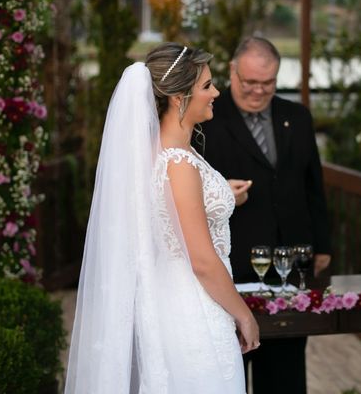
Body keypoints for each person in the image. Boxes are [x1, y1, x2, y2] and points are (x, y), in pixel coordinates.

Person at [65, 43, 259, 394]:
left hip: (171, 300)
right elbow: (201, 260)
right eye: (206, 86)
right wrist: (244, 314)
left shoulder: (159, 155)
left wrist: (222, 194)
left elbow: (170, 214)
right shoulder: (179, 164)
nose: (216, 92)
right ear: (177, 97)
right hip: (196, 309)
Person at [197, 36, 331, 394]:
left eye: (267, 83)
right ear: (232, 72)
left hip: (291, 267)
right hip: (232, 266)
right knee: (231, 371)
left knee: (286, 374)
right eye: (249, 82)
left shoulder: (297, 116)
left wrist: (322, 246)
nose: (258, 91)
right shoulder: (206, 117)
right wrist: (220, 189)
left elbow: (313, 185)